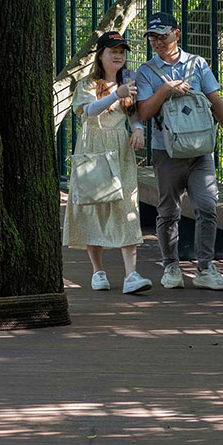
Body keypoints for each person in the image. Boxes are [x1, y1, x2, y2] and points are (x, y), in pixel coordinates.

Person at [134, 11, 223, 291]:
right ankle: (170, 266)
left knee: (207, 206)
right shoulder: (147, 72)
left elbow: (216, 101)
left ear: (177, 34)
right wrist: (166, 90)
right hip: (166, 152)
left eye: (163, 36)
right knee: (168, 211)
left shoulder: (198, 65)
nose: (157, 42)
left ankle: (205, 267)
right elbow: (144, 112)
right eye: (153, 38)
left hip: (201, 151)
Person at [63, 30, 152, 295]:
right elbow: (88, 111)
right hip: (93, 149)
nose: (118, 56)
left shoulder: (130, 79)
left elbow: (133, 113)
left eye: (122, 52)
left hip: (120, 149)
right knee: (94, 206)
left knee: (127, 204)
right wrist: (115, 94)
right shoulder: (88, 84)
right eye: (113, 51)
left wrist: (138, 130)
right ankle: (97, 271)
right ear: (100, 55)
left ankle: (131, 274)